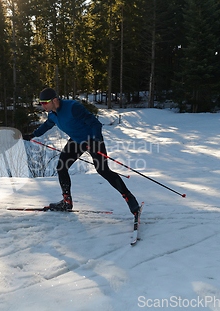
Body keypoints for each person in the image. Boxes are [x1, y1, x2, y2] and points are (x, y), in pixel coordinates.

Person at [23, 88, 140, 216]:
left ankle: (129, 198)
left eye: (44, 102)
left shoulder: (72, 107)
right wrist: (33, 135)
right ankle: (67, 202)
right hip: (77, 141)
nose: (42, 105)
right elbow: (47, 125)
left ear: (54, 100)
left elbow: (96, 124)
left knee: (103, 170)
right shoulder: (52, 114)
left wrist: (94, 142)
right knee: (61, 167)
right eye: (41, 103)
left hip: (92, 139)